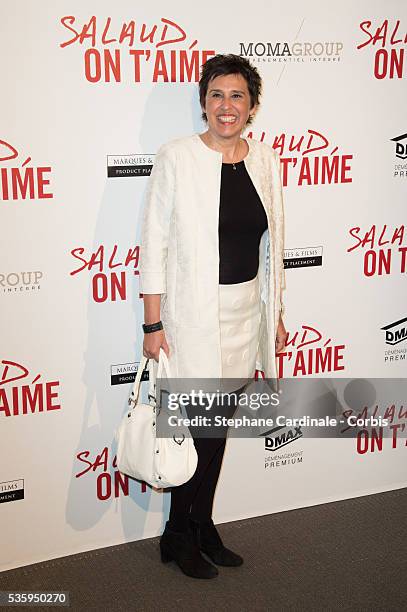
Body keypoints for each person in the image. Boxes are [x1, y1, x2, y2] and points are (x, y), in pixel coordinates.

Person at [139, 54, 287, 579]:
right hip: (192, 316)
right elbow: (153, 242)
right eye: (218, 94)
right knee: (193, 425)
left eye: (238, 96)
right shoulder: (177, 156)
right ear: (204, 102)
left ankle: (202, 523)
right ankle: (178, 531)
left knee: (217, 428)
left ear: (252, 106)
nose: (227, 106)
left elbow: (274, 246)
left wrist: (276, 313)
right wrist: (152, 324)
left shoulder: (265, 160)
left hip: (246, 312)